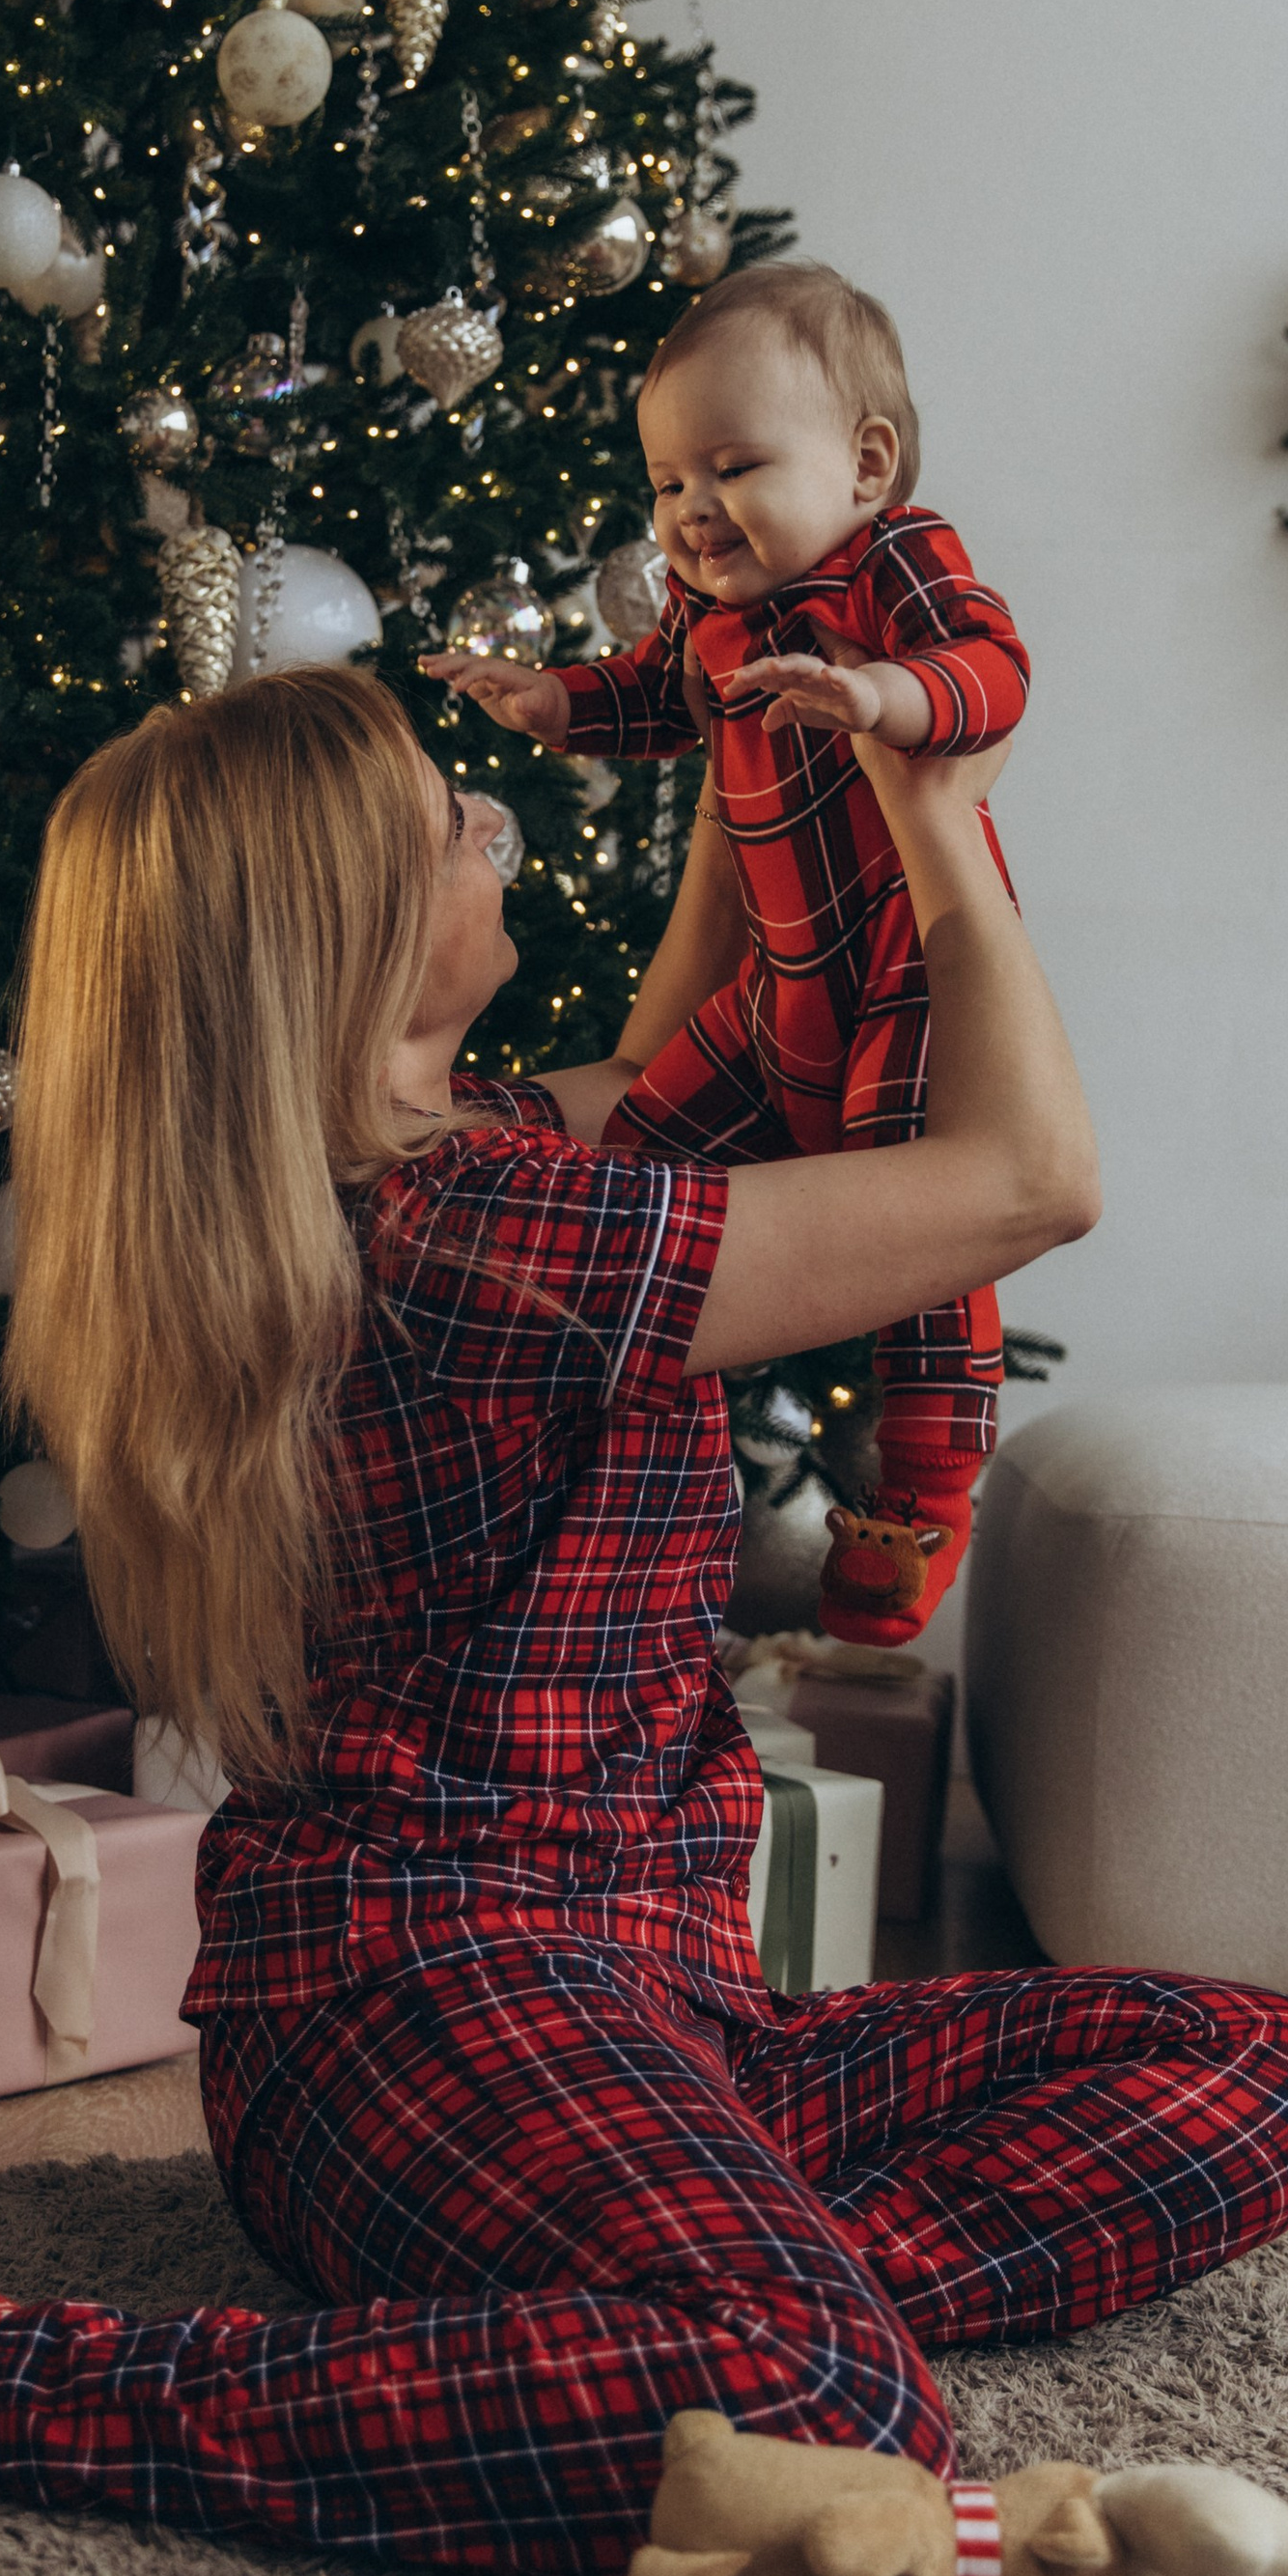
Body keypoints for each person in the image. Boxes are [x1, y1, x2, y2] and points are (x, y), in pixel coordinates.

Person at [0, 665, 1288, 2576]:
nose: (491, 829)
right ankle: (4, 2381)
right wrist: (939, 825)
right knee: (821, 2404)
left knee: (1260, 2070)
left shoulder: (474, 1165)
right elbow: (1033, 1180)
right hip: (418, 1999)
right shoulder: (453, 1231)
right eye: (451, 819)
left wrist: (750, 754)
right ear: (347, 930)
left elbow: (727, 1056)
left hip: (659, 2006)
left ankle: (706, 2291)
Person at [428, 259, 1030, 1640]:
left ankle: (921, 1505)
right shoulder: (713, 613)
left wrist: (881, 696)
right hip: (774, 997)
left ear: (867, 464)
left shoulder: (894, 561)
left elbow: (992, 669)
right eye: (667, 482)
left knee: (926, 1233)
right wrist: (555, 702)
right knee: (642, 1147)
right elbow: (656, 699)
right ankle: (607, 1416)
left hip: (899, 979)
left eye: (734, 465)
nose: (693, 509)